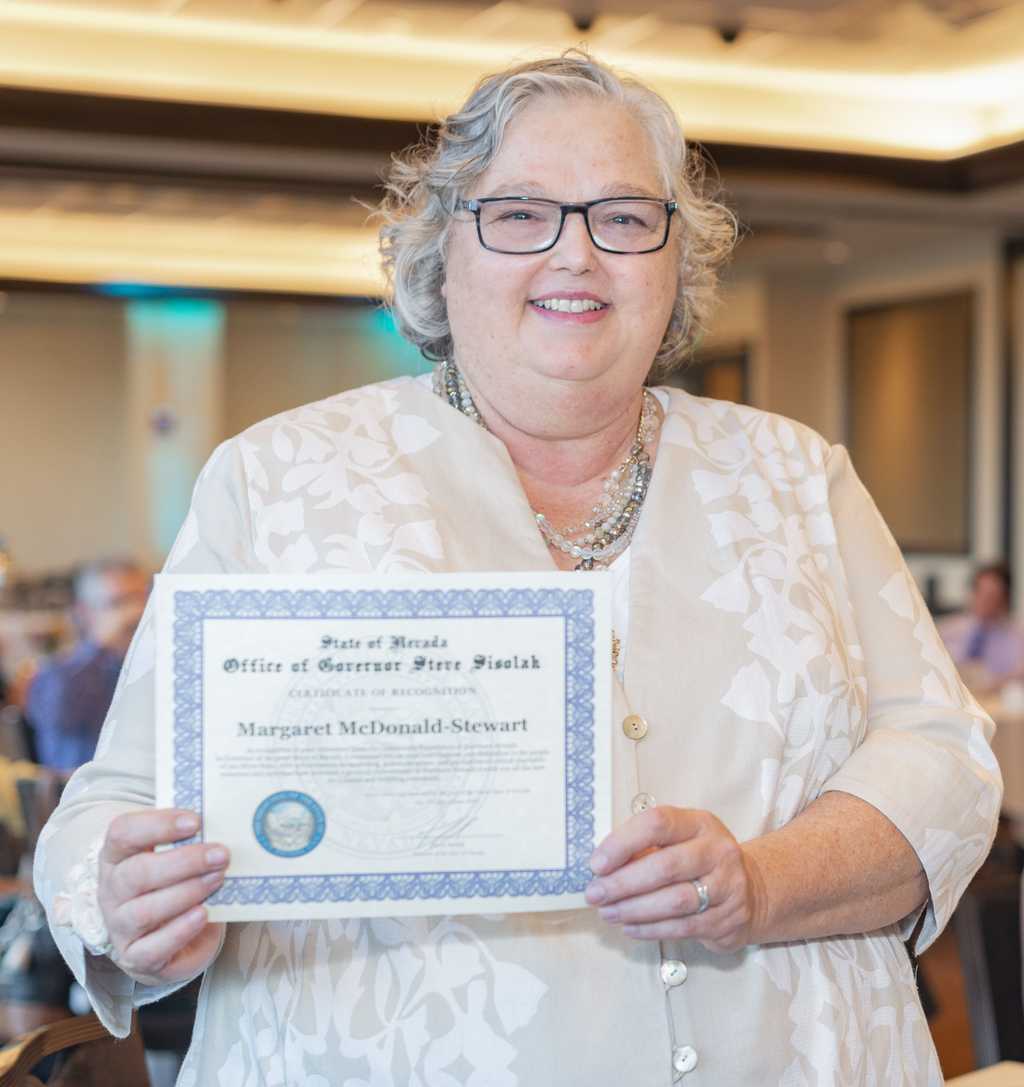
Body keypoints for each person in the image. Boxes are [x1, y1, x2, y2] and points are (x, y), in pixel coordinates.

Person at [34, 52, 1001, 1085]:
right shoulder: (275, 482)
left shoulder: (797, 476)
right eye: (519, 214)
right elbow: (114, 802)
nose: (576, 255)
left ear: (675, 262)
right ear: (440, 249)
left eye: (625, 218)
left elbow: (942, 760)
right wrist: (127, 897)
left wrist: (759, 881)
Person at [25, 560, 148, 771]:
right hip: (82, 794)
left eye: (144, 600)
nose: (137, 613)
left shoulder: (152, 665)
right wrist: (102, 645)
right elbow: (61, 716)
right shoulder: (57, 674)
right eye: (118, 603)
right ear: (84, 613)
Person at [939, 562, 1024, 691]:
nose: (983, 601)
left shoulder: (1017, 636)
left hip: (996, 704)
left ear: (1004, 599)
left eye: (991, 595)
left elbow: (1018, 677)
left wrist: (995, 683)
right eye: (979, 592)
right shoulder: (948, 630)